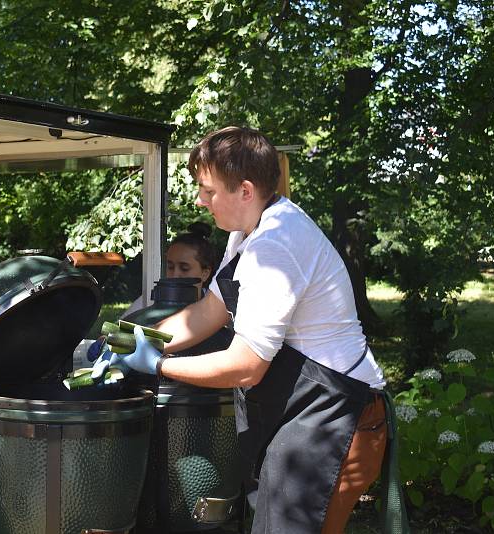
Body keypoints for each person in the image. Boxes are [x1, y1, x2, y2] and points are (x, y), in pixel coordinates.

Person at [93, 126, 388, 533]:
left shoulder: (276, 245)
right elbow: (208, 313)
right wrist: (132, 340)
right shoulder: (247, 233)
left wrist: (157, 365)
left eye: (208, 191)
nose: (200, 200)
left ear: (245, 191)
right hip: (304, 413)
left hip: (336, 416)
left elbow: (247, 365)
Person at [122, 221, 219, 317]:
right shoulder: (149, 299)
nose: (175, 274)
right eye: (170, 267)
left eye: (184, 268)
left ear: (205, 273)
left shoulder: (216, 305)